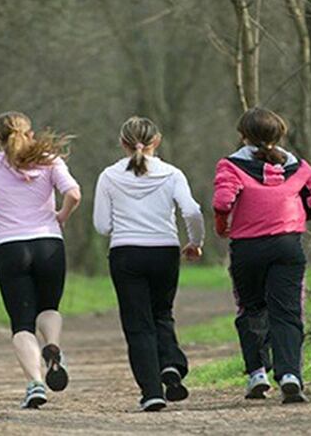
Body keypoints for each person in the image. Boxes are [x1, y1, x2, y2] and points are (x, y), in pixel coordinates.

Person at [0, 111, 81, 409]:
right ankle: (53, 347)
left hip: (11, 248)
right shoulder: (50, 159)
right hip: (49, 245)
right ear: (30, 133)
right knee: (49, 308)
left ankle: (35, 384)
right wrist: (61, 215)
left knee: (22, 325)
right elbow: (74, 194)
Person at [212, 107, 311, 404]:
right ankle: (290, 375)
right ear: (279, 134)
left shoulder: (231, 165)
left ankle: (257, 374)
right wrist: (306, 211)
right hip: (288, 246)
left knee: (251, 309)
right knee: (287, 312)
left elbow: (223, 201)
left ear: (243, 136)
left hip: (247, 248)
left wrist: (222, 226)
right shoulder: (298, 166)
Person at [93, 116, 205, 412]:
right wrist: (195, 242)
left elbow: (102, 226)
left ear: (122, 143)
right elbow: (192, 211)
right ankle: (170, 363)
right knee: (162, 313)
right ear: (157, 141)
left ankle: (152, 391)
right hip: (164, 252)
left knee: (137, 323)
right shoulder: (172, 174)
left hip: (126, 253)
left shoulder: (109, 176)